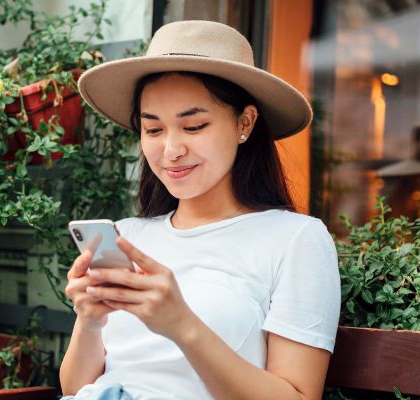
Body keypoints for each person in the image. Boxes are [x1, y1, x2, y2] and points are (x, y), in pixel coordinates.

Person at [60, 20, 340, 400]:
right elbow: (76, 388)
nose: (171, 150)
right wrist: (90, 321)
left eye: (193, 126)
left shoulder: (295, 240)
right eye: (153, 130)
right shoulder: (128, 236)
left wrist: (181, 325)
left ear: (245, 122)